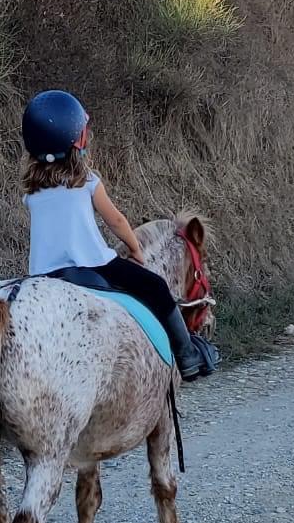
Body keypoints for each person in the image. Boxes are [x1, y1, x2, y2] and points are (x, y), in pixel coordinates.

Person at [20, 89, 210, 380]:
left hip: (44, 273)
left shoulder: (32, 192)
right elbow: (117, 221)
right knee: (156, 287)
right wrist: (135, 249)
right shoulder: (87, 182)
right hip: (92, 264)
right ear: (76, 140)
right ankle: (188, 357)